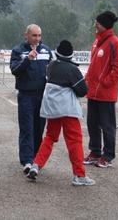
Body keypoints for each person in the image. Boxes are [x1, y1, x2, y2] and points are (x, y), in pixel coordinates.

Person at [26, 40, 95, 186]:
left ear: (57, 53)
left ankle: (36, 165)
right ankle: (79, 175)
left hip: (51, 108)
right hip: (68, 109)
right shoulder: (72, 69)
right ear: (71, 55)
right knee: (74, 141)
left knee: (49, 137)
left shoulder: (51, 66)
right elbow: (83, 91)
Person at [83, 11, 118, 168]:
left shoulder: (114, 43)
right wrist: (86, 81)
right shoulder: (96, 43)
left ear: (105, 25)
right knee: (92, 124)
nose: (95, 25)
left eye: (98, 23)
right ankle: (95, 152)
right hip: (92, 92)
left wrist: (106, 82)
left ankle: (108, 155)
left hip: (105, 93)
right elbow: (93, 67)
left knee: (107, 126)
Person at [10, 24, 53, 174]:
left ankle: (36, 159)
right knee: (27, 128)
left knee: (38, 129)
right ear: (26, 35)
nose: (37, 39)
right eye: (34, 35)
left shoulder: (46, 51)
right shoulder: (18, 51)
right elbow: (15, 71)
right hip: (26, 95)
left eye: (39, 35)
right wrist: (27, 60)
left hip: (42, 96)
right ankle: (27, 161)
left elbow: (52, 71)